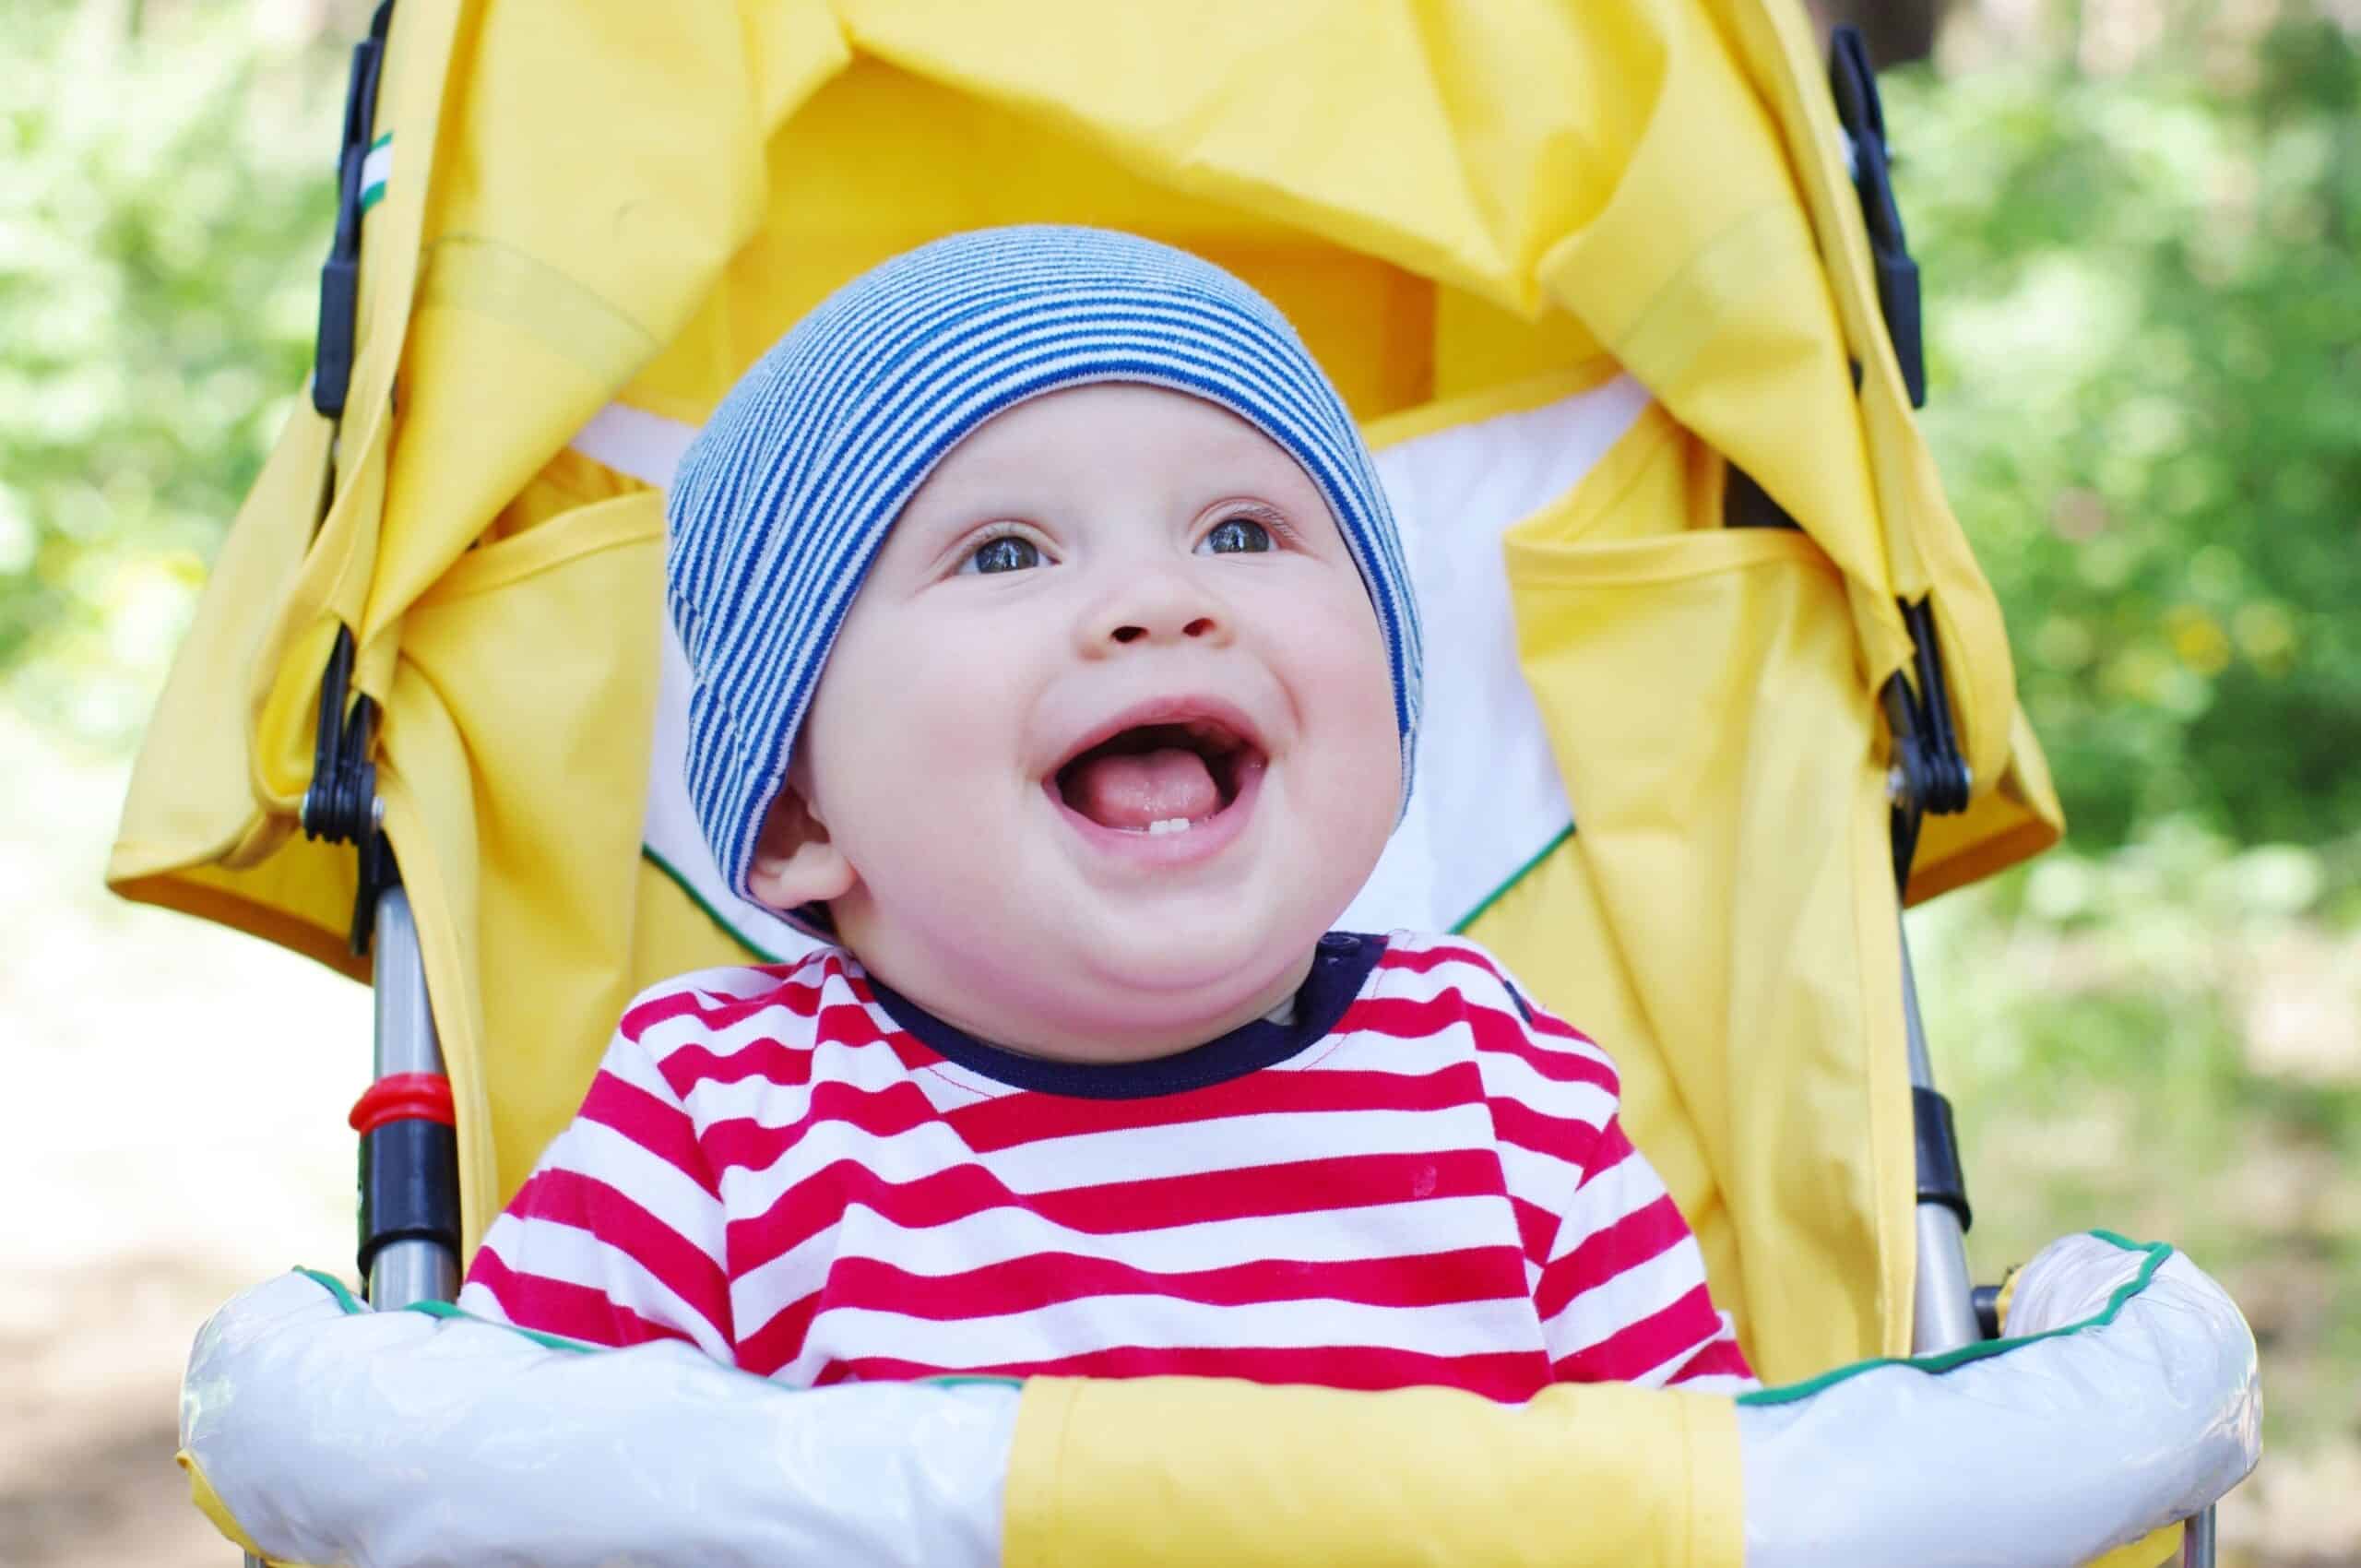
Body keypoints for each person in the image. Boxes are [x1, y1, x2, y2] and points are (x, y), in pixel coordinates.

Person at [455, 225, 1752, 1399]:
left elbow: (1722, 1509)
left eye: (1241, 534)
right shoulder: (715, 1129)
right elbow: (473, 1483)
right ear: (796, 811)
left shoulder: (1499, 1097)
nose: (1160, 596)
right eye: (1007, 552)